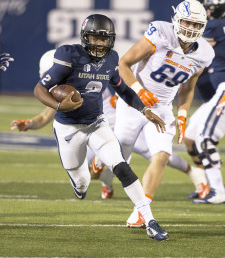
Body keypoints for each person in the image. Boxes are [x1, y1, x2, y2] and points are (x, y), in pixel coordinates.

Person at [33, 14, 169, 241]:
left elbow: (122, 89)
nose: (99, 43)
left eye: (104, 39)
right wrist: (58, 104)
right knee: (82, 181)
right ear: (85, 37)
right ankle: (79, 184)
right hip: (69, 128)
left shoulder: (111, 59)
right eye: (95, 38)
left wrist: (144, 110)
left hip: (97, 123)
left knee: (121, 167)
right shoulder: (69, 55)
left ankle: (150, 220)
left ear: (111, 41)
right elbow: (39, 89)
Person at [114, 0, 214, 226]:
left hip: (162, 108)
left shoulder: (205, 52)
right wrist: (139, 91)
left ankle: (142, 210)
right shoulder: (160, 32)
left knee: (162, 155)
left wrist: (182, 114)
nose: (192, 28)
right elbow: (124, 63)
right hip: (133, 102)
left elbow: (189, 85)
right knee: (119, 159)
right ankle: (101, 164)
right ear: (177, 20)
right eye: (188, 22)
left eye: (197, 24)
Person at [11, 49, 115, 200]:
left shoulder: (77, 80)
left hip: (109, 124)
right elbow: (47, 114)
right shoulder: (72, 81)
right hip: (91, 126)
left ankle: (105, 174)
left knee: (110, 164)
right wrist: (30, 123)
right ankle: (107, 182)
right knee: (87, 172)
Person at [182, 0, 225, 204]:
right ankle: (206, 185)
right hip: (218, 92)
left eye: (209, 8)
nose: (207, 12)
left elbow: (191, 46)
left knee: (204, 137)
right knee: (191, 137)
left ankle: (218, 191)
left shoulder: (216, 27)